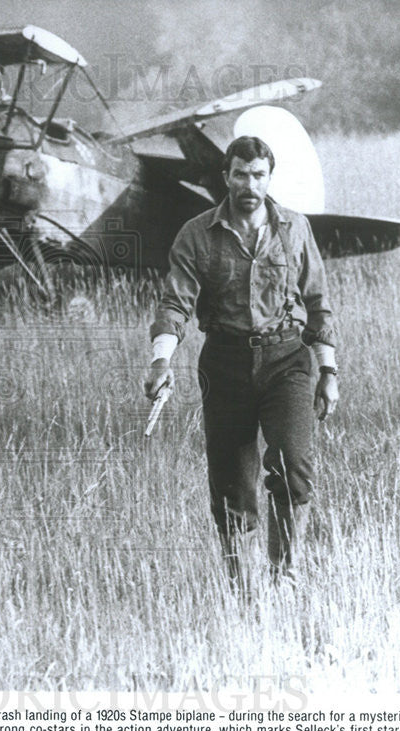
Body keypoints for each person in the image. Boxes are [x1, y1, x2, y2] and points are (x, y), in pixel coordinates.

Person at [143, 135, 338, 585]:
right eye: (239, 175)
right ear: (225, 177)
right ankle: (242, 592)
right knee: (232, 488)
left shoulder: (296, 228)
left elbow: (318, 302)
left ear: (270, 178)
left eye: (258, 175)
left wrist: (328, 370)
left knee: (292, 468)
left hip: (286, 359)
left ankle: (283, 575)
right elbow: (175, 304)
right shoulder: (197, 234)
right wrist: (161, 361)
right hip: (225, 365)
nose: (249, 185)